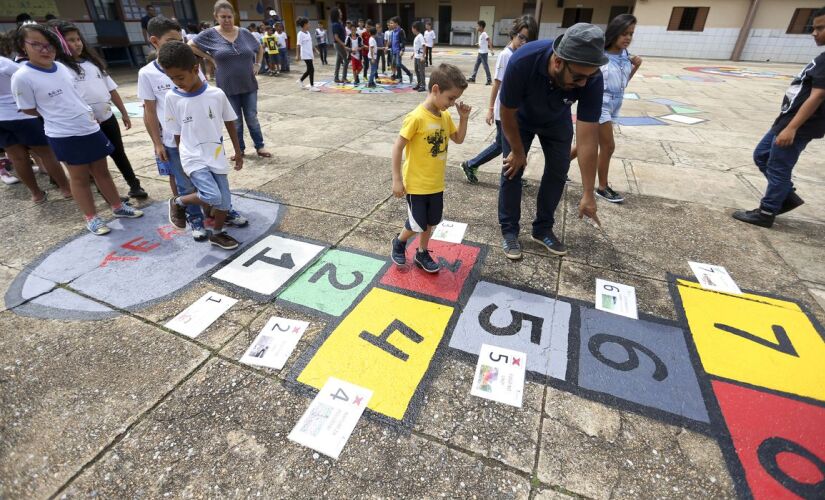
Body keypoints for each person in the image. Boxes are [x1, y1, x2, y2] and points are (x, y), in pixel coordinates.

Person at [12, 24, 143, 234]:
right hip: (64, 134)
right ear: (22, 46)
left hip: (90, 127)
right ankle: (92, 218)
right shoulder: (22, 76)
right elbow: (28, 108)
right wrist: (58, 116)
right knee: (79, 177)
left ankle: (118, 206)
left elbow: (74, 96)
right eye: (36, 45)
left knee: (102, 171)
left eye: (49, 45)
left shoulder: (62, 67)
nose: (44, 50)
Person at [498, 23, 606, 259]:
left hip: (557, 121)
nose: (583, 85)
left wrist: (588, 192)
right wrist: (517, 152)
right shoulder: (523, 61)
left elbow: (588, 139)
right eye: (577, 78)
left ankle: (543, 229)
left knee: (558, 171)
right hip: (520, 120)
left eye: (588, 77)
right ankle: (509, 231)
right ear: (558, 62)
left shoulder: (591, 77)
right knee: (512, 169)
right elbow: (506, 112)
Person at [733, 7, 825, 228]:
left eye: (821, 28)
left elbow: (819, 94)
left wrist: (792, 128)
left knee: (779, 166)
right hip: (786, 119)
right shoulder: (822, 57)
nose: (815, 33)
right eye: (814, 28)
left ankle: (767, 212)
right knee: (762, 155)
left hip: (798, 124)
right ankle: (786, 196)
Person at [159, 41, 243, 250]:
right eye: (171, 78)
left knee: (224, 202)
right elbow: (177, 134)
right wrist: (181, 164)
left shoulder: (216, 94)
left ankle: (217, 233)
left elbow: (230, 123)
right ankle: (178, 202)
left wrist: (238, 150)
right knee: (212, 195)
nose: (176, 82)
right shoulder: (172, 98)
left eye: (180, 77)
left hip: (215, 153)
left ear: (195, 69)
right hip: (192, 155)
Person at [53, 20, 148, 200]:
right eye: (71, 40)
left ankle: (134, 185)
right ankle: (107, 194)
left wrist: (124, 113)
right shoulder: (61, 69)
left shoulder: (93, 63)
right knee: (96, 162)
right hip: (87, 124)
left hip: (107, 117)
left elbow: (111, 89)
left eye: (78, 39)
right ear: (61, 44)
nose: (77, 43)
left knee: (118, 153)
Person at [390, 64, 470, 273]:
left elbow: (458, 139)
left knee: (430, 222)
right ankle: (399, 242)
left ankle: (422, 252)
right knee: (417, 224)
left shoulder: (444, 117)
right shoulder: (416, 117)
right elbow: (398, 147)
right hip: (416, 184)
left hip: (436, 183)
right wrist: (397, 179)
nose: (453, 103)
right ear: (435, 90)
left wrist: (463, 118)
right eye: (450, 98)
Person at [140, 16, 211, 240]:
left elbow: (204, 96)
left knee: (210, 176)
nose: (178, 45)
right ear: (154, 41)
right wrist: (157, 142)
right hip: (173, 141)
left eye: (180, 40)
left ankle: (219, 211)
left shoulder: (192, 64)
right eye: (171, 40)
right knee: (183, 182)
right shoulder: (147, 74)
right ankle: (195, 219)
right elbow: (150, 111)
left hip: (200, 136)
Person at [569, 14, 641, 204]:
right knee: (608, 146)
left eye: (631, 34)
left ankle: (556, 167)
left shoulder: (626, 56)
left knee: (586, 145)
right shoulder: (600, 57)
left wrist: (635, 67)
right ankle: (602, 187)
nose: (627, 38)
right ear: (615, 32)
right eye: (624, 33)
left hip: (616, 102)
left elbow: (623, 83)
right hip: (600, 103)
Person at [461, 15, 538, 184]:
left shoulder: (523, 54)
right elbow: (497, 84)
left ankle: (472, 164)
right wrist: (490, 110)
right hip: (504, 111)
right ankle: (511, 176)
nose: (524, 42)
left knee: (501, 145)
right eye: (521, 37)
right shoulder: (506, 55)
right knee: (508, 147)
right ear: (514, 34)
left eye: (528, 39)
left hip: (515, 111)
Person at [189, 1, 270, 159]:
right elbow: (190, 45)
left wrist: (258, 64)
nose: (226, 20)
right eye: (223, 17)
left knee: (252, 117)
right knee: (235, 121)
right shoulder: (210, 34)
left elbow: (259, 48)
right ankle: (239, 149)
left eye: (229, 16)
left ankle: (260, 146)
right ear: (216, 17)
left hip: (248, 83)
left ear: (234, 16)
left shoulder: (244, 33)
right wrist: (209, 57)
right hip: (227, 86)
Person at [0, 29, 71, 201]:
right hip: (21, 115)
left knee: (17, 157)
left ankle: (36, 194)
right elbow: (28, 75)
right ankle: (66, 189)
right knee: (46, 153)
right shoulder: (5, 63)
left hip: (1, 119)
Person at [295, 17, 319, 91]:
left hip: (310, 53)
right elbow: (298, 45)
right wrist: (297, 55)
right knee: (311, 69)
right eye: (308, 24)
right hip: (305, 54)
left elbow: (311, 43)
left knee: (309, 70)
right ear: (305, 25)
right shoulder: (300, 34)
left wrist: (315, 50)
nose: (309, 25)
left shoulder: (308, 33)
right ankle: (312, 86)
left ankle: (300, 80)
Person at [468, 20, 492, 85]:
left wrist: (491, 50)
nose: (477, 27)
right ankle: (473, 78)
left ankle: (489, 79)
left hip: (484, 53)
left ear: (481, 26)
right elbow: (483, 44)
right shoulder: (481, 35)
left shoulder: (484, 34)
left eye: (478, 26)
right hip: (480, 52)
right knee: (476, 65)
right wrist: (478, 45)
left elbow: (489, 40)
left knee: (485, 66)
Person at [389, 17, 412, 84]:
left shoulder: (401, 31)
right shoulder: (393, 32)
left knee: (398, 64)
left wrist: (402, 49)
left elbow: (403, 41)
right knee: (394, 64)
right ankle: (399, 77)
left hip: (398, 51)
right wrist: (388, 47)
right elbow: (393, 42)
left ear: (396, 23)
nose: (390, 24)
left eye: (391, 23)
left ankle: (409, 74)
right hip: (393, 51)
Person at [331, 8, 349, 83]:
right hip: (338, 44)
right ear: (336, 14)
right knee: (346, 60)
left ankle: (336, 78)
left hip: (339, 44)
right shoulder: (335, 24)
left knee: (338, 61)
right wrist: (343, 44)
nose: (341, 13)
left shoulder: (339, 23)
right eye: (340, 12)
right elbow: (336, 37)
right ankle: (344, 78)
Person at [411, 21, 426, 92]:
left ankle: (423, 85)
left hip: (420, 57)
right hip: (416, 56)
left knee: (421, 71)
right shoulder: (417, 37)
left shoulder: (420, 36)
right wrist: (413, 54)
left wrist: (423, 56)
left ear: (415, 28)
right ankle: (419, 84)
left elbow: (424, 46)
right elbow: (417, 47)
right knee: (417, 70)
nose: (412, 30)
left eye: (412, 28)